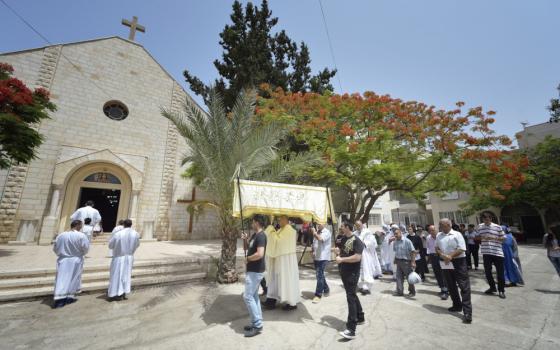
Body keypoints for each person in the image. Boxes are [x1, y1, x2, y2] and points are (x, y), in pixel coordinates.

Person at [436, 218, 472, 324]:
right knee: (451, 285)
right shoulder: (439, 235)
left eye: (441, 225)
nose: (439, 227)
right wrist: (442, 255)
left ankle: (467, 312)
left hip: (459, 262)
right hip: (446, 262)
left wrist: (450, 256)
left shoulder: (457, 234)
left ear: (448, 225)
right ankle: (457, 305)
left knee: (463, 286)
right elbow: (437, 248)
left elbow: (461, 249)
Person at [263, 215, 300, 310]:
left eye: (281, 219)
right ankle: (271, 300)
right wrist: (272, 231)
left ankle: (291, 303)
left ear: (286, 219)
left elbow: (278, 242)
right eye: (278, 219)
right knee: (274, 280)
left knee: (286, 281)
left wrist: (270, 230)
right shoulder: (281, 230)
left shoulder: (289, 230)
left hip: (286, 261)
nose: (279, 220)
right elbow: (275, 240)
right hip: (279, 259)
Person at [335, 222, 365, 340]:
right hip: (344, 271)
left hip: (352, 273)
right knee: (352, 294)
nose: (340, 228)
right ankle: (360, 316)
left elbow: (357, 257)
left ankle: (351, 329)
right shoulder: (343, 239)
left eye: (342, 226)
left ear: (347, 227)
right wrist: (337, 252)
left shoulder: (357, 240)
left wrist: (342, 259)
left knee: (350, 297)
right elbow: (341, 251)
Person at [52, 220, 90, 308]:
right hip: (76, 259)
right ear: (78, 226)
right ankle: (64, 298)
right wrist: (80, 254)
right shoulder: (81, 235)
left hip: (63, 260)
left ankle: (65, 298)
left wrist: (62, 254)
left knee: (62, 278)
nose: (81, 227)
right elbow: (86, 248)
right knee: (74, 278)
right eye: (81, 225)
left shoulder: (61, 235)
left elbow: (55, 248)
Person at [242, 215, 267, 337]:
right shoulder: (254, 235)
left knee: (247, 296)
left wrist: (248, 258)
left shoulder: (261, 236)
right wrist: (245, 239)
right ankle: (256, 322)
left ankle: (257, 324)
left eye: (253, 221)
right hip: (252, 270)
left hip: (256, 271)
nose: (252, 223)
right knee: (254, 295)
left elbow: (260, 254)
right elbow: (247, 248)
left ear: (257, 222)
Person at [107, 219, 140, 301]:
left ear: (124, 225)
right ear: (131, 225)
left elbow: (110, 246)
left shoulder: (118, 234)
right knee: (126, 275)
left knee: (116, 275)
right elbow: (137, 245)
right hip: (129, 257)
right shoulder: (135, 234)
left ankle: (114, 293)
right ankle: (123, 292)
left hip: (119, 257)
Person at [478, 214, 506, 299]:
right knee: (487, 272)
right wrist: (481, 237)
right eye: (484, 218)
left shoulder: (497, 227)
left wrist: (493, 238)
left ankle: (501, 290)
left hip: (497, 252)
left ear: (491, 218)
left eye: (488, 218)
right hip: (486, 252)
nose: (486, 220)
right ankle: (492, 287)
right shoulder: (480, 226)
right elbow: (477, 236)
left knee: (500, 273)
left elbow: (504, 238)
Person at [355, 220, 382, 295]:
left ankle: (366, 287)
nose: (358, 227)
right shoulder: (355, 233)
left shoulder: (367, 232)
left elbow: (373, 242)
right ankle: (361, 286)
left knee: (366, 270)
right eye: (356, 226)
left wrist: (364, 243)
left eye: (359, 225)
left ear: (362, 225)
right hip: (357, 254)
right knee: (359, 270)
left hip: (365, 254)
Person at [393, 228, 417, 297]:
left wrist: (413, 262)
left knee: (409, 278)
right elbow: (396, 252)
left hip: (406, 262)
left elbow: (413, 252)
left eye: (396, 234)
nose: (395, 235)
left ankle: (412, 292)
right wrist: (395, 259)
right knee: (399, 277)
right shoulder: (395, 242)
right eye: (395, 234)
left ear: (401, 233)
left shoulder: (407, 241)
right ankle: (400, 292)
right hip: (398, 261)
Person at [426, 225, 448, 300]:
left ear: (436, 230)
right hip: (433, 256)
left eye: (433, 230)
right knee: (437, 273)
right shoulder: (428, 238)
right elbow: (429, 248)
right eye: (430, 230)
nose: (432, 232)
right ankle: (442, 289)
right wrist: (429, 258)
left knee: (444, 274)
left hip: (441, 256)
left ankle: (446, 291)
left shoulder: (441, 236)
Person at [312, 223, 332, 303]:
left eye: (319, 223)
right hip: (317, 256)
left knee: (319, 275)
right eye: (317, 223)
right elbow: (314, 243)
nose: (318, 225)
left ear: (324, 224)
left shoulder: (326, 232)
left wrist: (314, 232)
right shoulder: (318, 231)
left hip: (323, 257)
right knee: (320, 275)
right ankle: (326, 289)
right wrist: (313, 251)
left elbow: (320, 239)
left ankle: (318, 295)